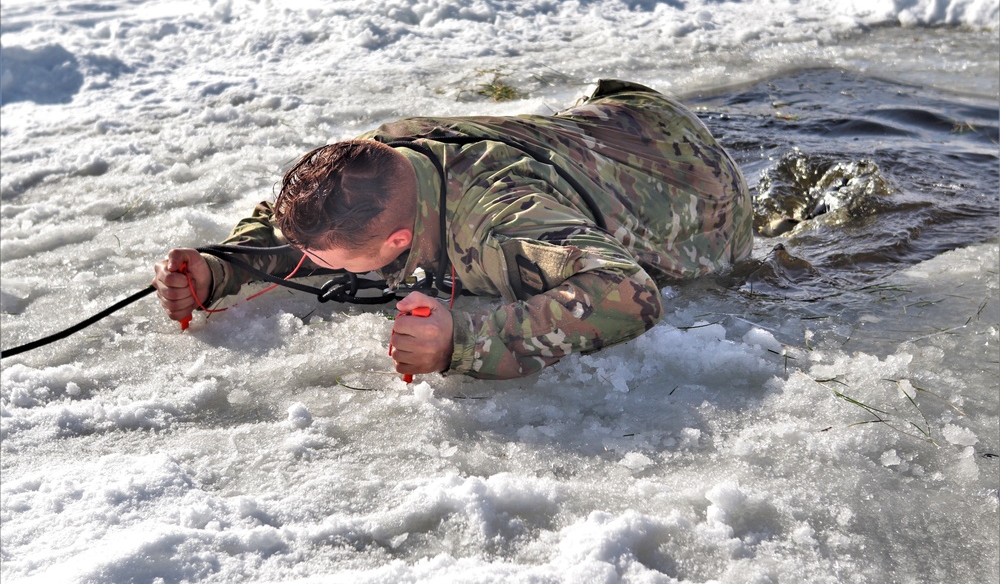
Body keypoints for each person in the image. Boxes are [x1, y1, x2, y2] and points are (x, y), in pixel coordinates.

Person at [153, 79, 753, 380]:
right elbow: (305, 223)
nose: (303, 259)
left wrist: (462, 342)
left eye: (322, 257)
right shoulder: (375, 159)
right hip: (601, 123)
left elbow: (629, 291)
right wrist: (221, 266)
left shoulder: (501, 222)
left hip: (694, 187)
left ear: (396, 243)